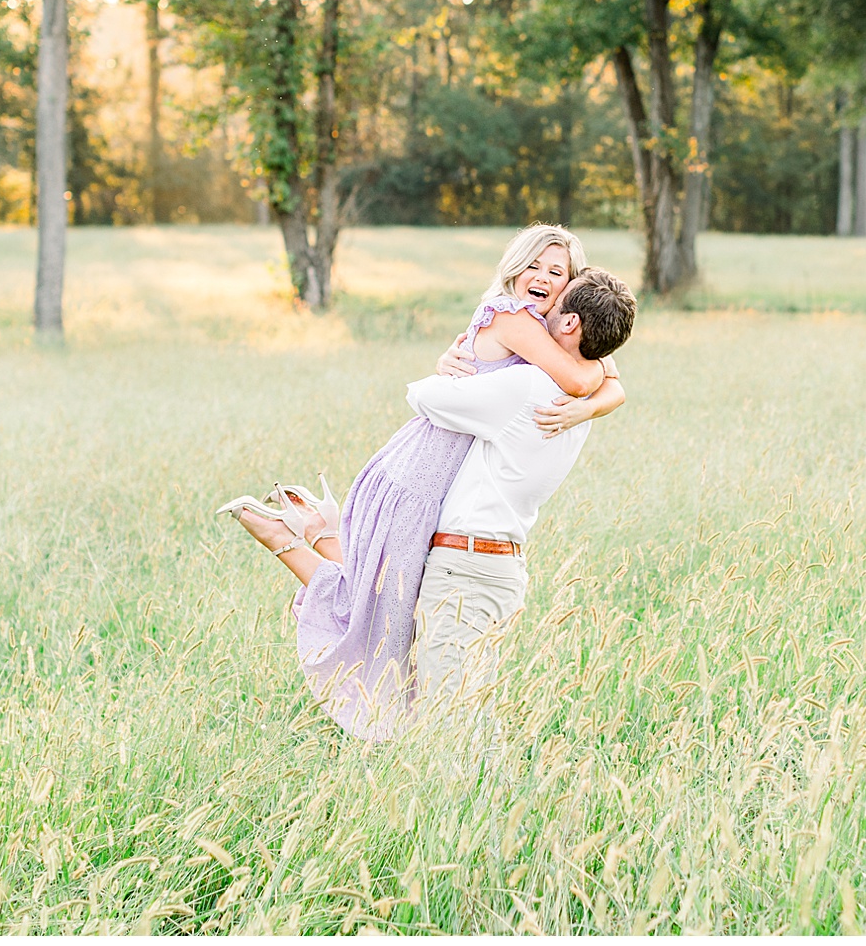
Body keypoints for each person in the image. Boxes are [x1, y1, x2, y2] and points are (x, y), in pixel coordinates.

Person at [216, 224, 626, 739]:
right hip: (423, 469)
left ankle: (313, 533)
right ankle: (300, 538)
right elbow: (587, 376)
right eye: (534, 265)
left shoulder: (548, 340)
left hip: (440, 479)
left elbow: (607, 377)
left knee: (389, 601)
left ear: (571, 294)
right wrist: (591, 398)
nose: (542, 277)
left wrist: (598, 398)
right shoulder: (516, 321)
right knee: (381, 602)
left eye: (557, 272)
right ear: (514, 267)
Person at [405, 268, 637, 723]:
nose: (540, 311)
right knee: (469, 713)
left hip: (464, 569)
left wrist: (452, 361)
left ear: (569, 325)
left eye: (554, 304)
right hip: (501, 567)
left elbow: (425, 398)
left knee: (443, 723)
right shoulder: (581, 400)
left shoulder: (529, 386)